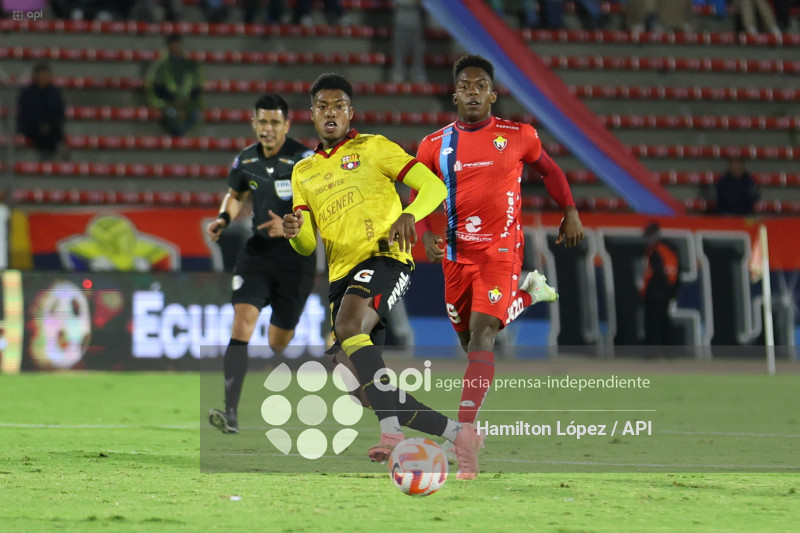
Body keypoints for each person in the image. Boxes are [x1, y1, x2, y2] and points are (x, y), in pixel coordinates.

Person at [282, 73, 482, 479]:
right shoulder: (302, 172)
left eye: (338, 105)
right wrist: (294, 233)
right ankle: (460, 436)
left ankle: (391, 433)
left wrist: (410, 214)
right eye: (322, 106)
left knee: (347, 324)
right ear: (313, 115)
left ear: (350, 112)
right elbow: (306, 244)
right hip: (341, 275)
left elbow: (433, 187)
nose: (331, 112)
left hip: (386, 257)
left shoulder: (374, 147)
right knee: (359, 387)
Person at [414, 55, 584, 429]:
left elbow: (550, 170)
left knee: (483, 333)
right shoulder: (433, 145)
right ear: (454, 95)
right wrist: (426, 231)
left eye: (480, 87)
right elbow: (420, 194)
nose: (472, 92)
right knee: (468, 341)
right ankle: (530, 294)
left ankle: (465, 430)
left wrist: (569, 209)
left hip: (501, 251)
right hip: (456, 255)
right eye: (465, 87)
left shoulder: (520, 135)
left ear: (493, 95)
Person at [207, 94, 316, 435]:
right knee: (242, 322)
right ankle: (231, 412)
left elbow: (319, 204)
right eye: (262, 122)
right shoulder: (246, 160)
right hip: (257, 253)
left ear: (287, 125)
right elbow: (237, 194)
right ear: (254, 123)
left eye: (274, 122)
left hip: (296, 257)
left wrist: (290, 224)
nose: (267, 129)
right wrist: (224, 218)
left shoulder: (304, 160)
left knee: (277, 342)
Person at [145, 33, 203, 136]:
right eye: (172, 43)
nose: (175, 46)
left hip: (187, 102)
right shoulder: (161, 65)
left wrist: (187, 99)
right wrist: (173, 100)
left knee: (195, 114)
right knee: (171, 114)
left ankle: (182, 137)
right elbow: (157, 86)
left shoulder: (189, 64)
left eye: (177, 43)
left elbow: (197, 85)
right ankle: (177, 137)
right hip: (167, 102)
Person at [16, 62, 66, 161]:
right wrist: (40, 125)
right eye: (41, 74)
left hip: (51, 129)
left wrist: (48, 125)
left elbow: (59, 112)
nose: (43, 77)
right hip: (32, 129)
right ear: (35, 76)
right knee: (40, 133)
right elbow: (26, 114)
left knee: (54, 132)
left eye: (45, 74)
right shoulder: (27, 93)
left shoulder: (55, 92)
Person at [640, 222, 679, 348]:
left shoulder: (655, 251)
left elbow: (658, 272)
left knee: (652, 323)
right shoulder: (670, 249)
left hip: (655, 293)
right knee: (664, 322)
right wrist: (672, 291)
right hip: (667, 292)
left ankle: (652, 352)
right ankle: (668, 350)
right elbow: (676, 271)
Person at [390, 0, 427, 83]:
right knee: (399, 49)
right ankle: (398, 72)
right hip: (400, 20)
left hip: (416, 20)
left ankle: (418, 73)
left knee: (418, 50)